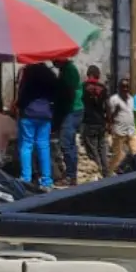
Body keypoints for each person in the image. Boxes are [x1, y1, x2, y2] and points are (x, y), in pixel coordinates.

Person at [16, 60, 58, 189]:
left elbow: (22, 93)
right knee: (43, 145)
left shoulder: (27, 72)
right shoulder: (50, 74)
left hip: (29, 113)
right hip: (45, 114)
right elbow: (55, 94)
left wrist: (19, 106)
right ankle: (46, 180)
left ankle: (26, 178)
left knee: (27, 145)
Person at [54, 56, 84, 186]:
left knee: (66, 143)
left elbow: (69, 93)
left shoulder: (69, 70)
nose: (53, 62)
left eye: (54, 59)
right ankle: (71, 174)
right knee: (70, 144)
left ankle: (71, 175)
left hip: (72, 110)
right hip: (72, 110)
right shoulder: (65, 70)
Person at [80, 64, 109, 175]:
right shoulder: (103, 88)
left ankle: (98, 171)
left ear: (88, 74)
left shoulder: (83, 86)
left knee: (92, 150)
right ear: (98, 75)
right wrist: (109, 121)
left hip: (89, 122)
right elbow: (107, 106)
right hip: (101, 122)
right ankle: (106, 171)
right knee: (102, 149)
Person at [107, 76, 136, 172]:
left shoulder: (131, 99)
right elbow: (109, 118)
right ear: (119, 88)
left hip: (131, 131)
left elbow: (133, 113)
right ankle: (110, 173)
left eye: (127, 87)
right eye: (123, 87)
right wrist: (116, 111)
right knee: (117, 157)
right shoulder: (114, 99)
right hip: (119, 132)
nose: (125, 89)